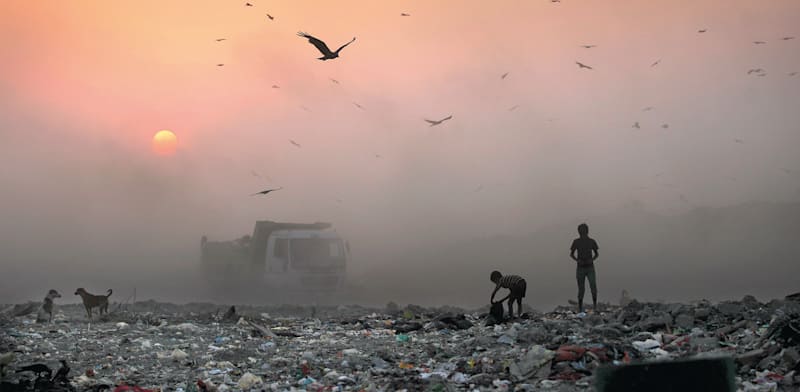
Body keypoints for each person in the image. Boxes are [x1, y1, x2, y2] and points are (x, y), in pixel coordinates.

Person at [570, 223, 599, 313]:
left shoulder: (591, 241)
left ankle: (594, 306)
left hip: (589, 267)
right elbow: (572, 254)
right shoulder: (576, 242)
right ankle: (581, 307)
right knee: (582, 289)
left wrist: (591, 259)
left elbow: (596, 254)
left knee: (592, 286)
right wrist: (578, 260)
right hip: (582, 267)